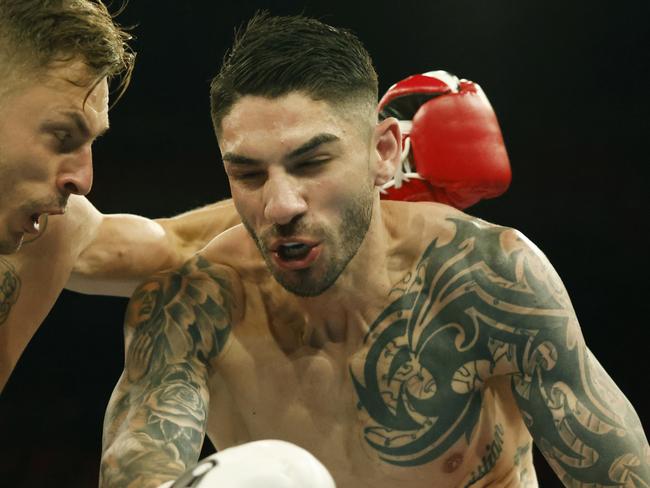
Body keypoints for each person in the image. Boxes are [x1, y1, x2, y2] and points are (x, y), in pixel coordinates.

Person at [100, 13, 649, 488]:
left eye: (311, 163)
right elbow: (138, 464)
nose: (281, 205)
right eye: (247, 173)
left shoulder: (486, 278)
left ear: (384, 153)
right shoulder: (190, 308)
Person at [0, 0, 241, 391]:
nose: (84, 180)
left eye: (90, 142)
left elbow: (179, 247)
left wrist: (348, 180)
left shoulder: (48, 231)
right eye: (63, 136)